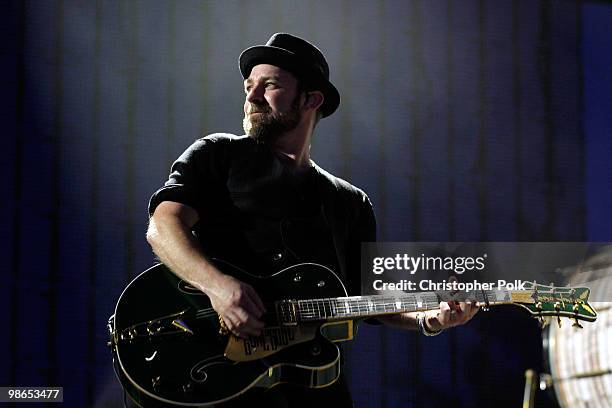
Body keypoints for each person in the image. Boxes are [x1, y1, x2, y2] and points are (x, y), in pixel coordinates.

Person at [146, 33, 478, 407]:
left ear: (311, 99)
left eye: (269, 86)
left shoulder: (349, 202)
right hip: (217, 371)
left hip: (307, 387)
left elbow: (367, 296)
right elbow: (163, 224)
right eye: (248, 87)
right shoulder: (218, 154)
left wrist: (429, 316)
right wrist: (219, 287)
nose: (251, 98)